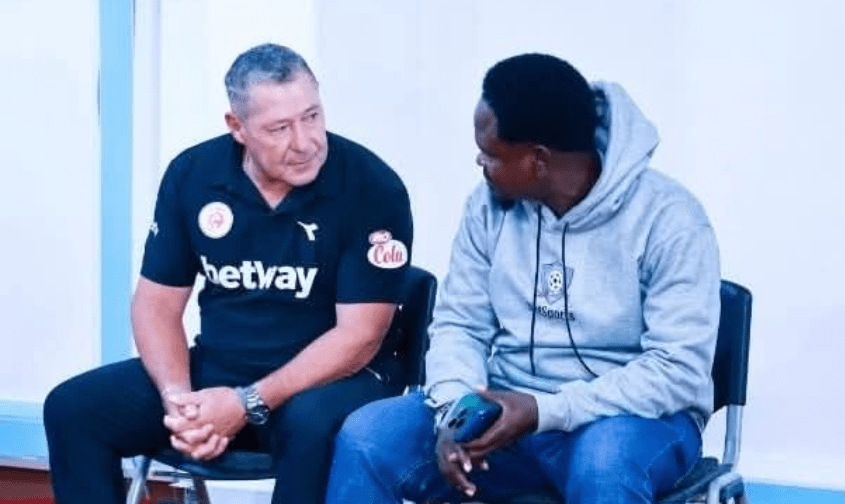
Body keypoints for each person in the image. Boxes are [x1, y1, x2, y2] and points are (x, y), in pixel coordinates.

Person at [326, 53, 720, 504]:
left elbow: (677, 369)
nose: (479, 161)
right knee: (368, 437)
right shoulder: (485, 207)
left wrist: (544, 410)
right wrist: (454, 414)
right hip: (505, 409)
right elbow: (460, 325)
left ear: (538, 160)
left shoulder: (670, 220)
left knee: (604, 465)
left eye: (491, 154)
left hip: (632, 419)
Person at [43, 43, 413, 504]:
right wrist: (180, 403)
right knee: (73, 409)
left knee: (310, 424)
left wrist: (246, 402)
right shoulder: (193, 174)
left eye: (312, 116)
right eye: (280, 128)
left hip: (332, 380)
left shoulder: (372, 186)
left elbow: (359, 337)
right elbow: (156, 304)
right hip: (223, 369)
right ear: (236, 127)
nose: (305, 142)